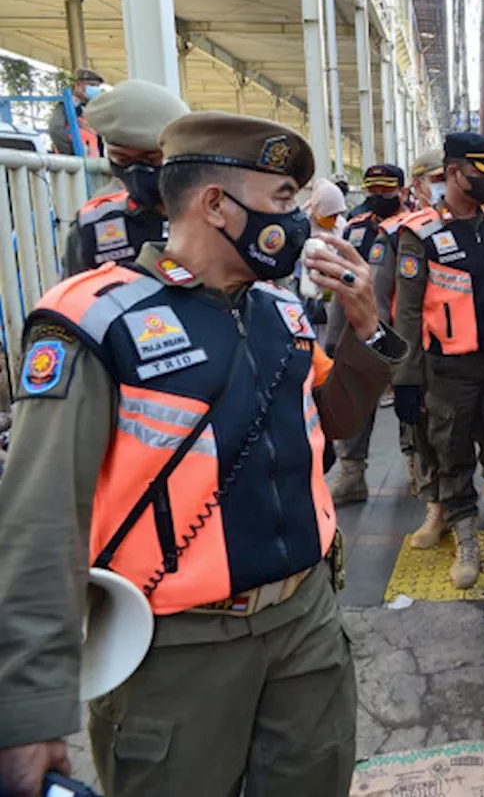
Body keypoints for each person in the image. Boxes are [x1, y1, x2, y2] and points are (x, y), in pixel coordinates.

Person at [0, 111, 406, 797]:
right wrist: (28, 712)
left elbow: (335, 418)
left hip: (304, 625)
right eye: (283, 200)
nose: (299, 221)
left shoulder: (278, 312)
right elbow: (40, 524)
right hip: (176, 652)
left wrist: (370, 331)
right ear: (217, 205)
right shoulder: (94, 322)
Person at [393, 133, 484, 590]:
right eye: (480, 174)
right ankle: (467, 539)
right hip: (450, 370)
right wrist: (406, 380)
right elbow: (408, 313)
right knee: (452, 455)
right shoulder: (420, 233)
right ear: (453, 173)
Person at [326, 165, 420, 505]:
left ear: (402, 190)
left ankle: (417, 468)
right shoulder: (353, 230)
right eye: (373, 191)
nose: (379, 197)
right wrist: (335, 338)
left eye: (386, 190)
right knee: (355, 399)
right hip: (360, 332)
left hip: (404, 331)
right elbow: (339, 283)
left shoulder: (416, 227)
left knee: (411, 402)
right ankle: (352, 475)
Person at [60, 80, 190, 277]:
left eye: (152, 158)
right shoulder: (93, 226)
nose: (136, 171)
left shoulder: (219, 217)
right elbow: (74, 299)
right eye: (122, 159)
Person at [47, 67, 105, 157]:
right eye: (92, 85)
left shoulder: (91, 109)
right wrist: (71, 152)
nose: (96, 89)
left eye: (97, 86)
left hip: (91, 163)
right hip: (73, 164)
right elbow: (55, 129)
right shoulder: (67, 105)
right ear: (78, 85)